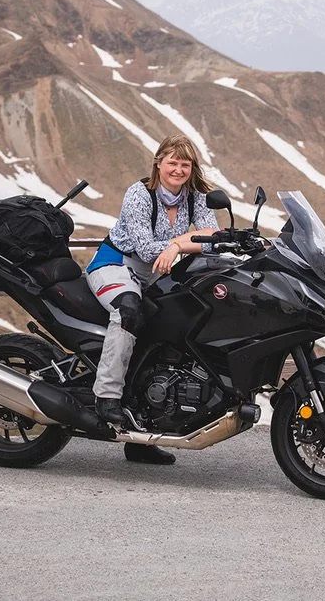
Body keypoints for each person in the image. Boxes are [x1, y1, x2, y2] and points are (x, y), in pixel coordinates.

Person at [86, 133, 219, 464]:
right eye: (172, 162)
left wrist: (179, 244)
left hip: (156, 272)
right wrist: (183, 243)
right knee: (129, 312)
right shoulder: (139, 194)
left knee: (168, 336)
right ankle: (106, 397)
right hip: (115, 265)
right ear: (158, 163)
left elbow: (213, 239)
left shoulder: (196, 197)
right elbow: (145, 248)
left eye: (184, 164)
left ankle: (142, 435)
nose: (178, 169)